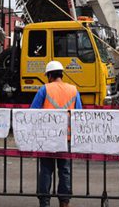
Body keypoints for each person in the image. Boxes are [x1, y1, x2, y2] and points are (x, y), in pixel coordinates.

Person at [30, 61, 81, 207]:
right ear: (61, 74)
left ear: (50, 75)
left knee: (46, 170)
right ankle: (64, 202)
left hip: (47, 137)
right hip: (66, 137)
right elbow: (79, 113)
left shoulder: (44, 89)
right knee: (65, 169)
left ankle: (44, 202)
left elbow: (32, 111)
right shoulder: (73, 90)